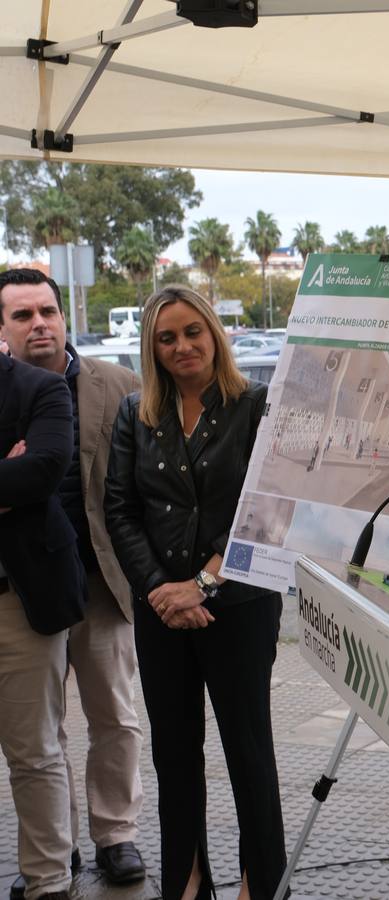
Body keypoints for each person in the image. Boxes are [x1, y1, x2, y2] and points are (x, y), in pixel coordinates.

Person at [103, 285, 286, 900]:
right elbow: (120, 510)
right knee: (173, 757)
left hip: (237, 607)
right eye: (166, 337)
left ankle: (261, 882)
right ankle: (186, 877)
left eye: (192, 332)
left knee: (249, 755)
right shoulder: (136, 412)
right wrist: (159, 589)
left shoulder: (255, 406)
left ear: (214, 334)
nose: (182, 346)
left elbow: (265, 511)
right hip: (162, 615)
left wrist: (202, 584)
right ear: (152, 349)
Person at [0, 268, 147, 897]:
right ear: (3, 328)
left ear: (64, 316)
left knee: (114, 715)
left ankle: (116, 835)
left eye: (48, 312)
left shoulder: (119, 387)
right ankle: (54, 858)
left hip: (102, 581)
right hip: (30, 587)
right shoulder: (10, 391)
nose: (39, 324)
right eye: (23, 315)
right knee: (42, 733)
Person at [0, 349, 84, 900]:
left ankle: (48, 879)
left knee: (34, 750)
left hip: (21, 599)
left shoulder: (41, 389)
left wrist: (19, 474)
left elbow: (44, 469)